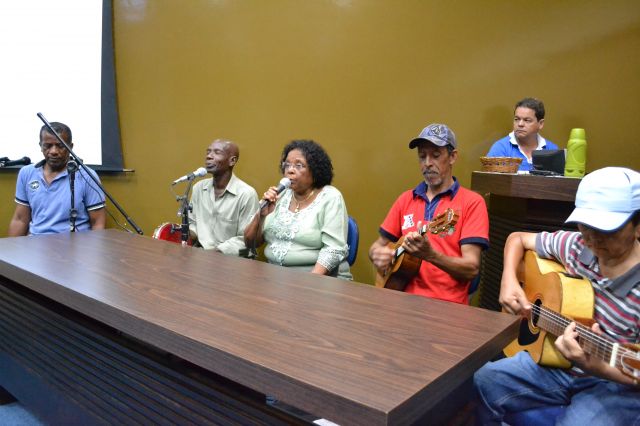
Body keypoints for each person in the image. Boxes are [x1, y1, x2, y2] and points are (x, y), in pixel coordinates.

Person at [474, 167, 640, 425]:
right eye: (585, 225)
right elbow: (517, 238)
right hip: (558, 367)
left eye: (606, 229)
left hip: (612, 383)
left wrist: (596, 367)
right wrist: (508, 280)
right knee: (484, 379)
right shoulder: (576, 245)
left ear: (637, 226)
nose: (593, 239)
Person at [369, 123, 489, 304]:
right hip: (399, 300)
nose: (427, 163)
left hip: (447, 306)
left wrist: (431, 255)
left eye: (435, 155)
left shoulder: (472, 202)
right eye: (422, 156)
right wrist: (378, 255)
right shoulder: (405, 199)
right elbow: (377, 247)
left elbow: (471, 268)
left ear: (453, 157)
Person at [244, 140, 352, 279]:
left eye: (299, 165)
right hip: (276, 278)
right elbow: (251, 243)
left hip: (318, 280)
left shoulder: (331, 197)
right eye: (287, 165)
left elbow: (333, 250)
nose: (290, 170)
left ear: (315, 170)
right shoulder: (280, 194)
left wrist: (308, 282)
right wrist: (261, 215)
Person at [8, 122, 106, 236]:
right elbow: (20, 220)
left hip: (73, 244)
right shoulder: (27, 173)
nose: (53, 151)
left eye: (60, 146)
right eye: (48, 146)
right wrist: (12, 246)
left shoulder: (87, 176)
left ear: (70, 147)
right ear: (40, 146)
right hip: (35, 242)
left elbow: (97, 223)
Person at [189, 139, 259, 255]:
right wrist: (188, 233)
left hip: (231, 259)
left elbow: (245, 240)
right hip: (201, 255)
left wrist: (216, 253)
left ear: (232, 161)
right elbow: (193, 223)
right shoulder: (199, 188)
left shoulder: (246, 194)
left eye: (217, 152)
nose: (209, 156)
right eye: (208, 152)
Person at [486, 97, 559, 172]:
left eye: (527, 120)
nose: (520, 124)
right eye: (517, 119)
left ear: (540, 124)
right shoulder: (500, 148)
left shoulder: (552, 150)